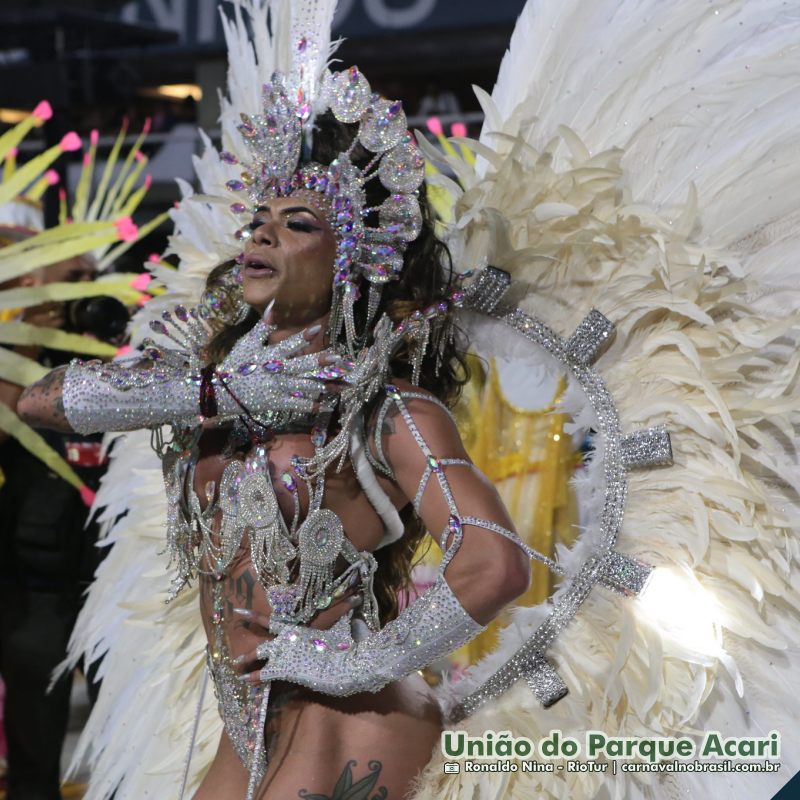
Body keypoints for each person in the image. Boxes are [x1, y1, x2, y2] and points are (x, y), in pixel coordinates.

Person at [17, 94, 532, 800]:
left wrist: (355, 665)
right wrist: (226, 394)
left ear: (352, 261)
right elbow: (44, 399)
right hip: (250, 724)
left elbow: (495, 562)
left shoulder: (387, 410)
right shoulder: (210, 386)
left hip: (348, 726)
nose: (261, 237)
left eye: (296, 225)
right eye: (258, 223)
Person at [0, 246, 104, 800]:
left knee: (123, 741)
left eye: (92, 277)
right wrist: (22, 352)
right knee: (34, 752)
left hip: (107, 580)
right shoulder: (10, 355)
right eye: (73, 279)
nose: (83, 290)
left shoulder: (111, 350)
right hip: (34, 587)